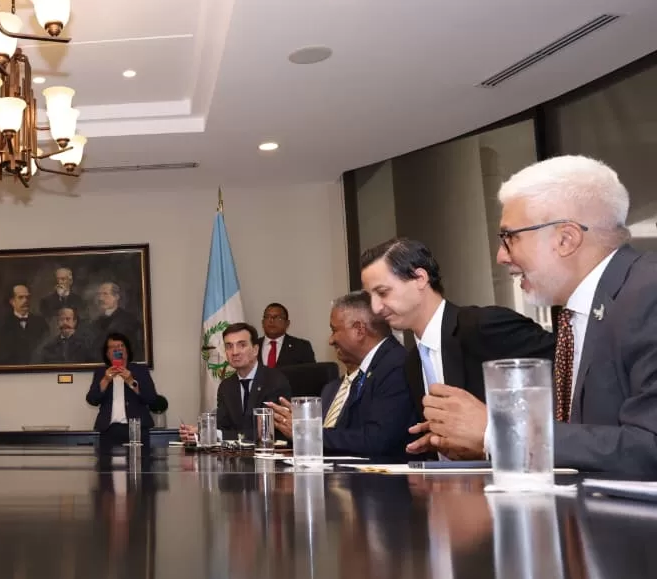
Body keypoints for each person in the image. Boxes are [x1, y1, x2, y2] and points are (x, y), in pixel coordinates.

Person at [407, 156, 657, 477]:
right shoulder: (579, 313)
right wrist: (478, 441)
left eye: (510, 237)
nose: (501, 256)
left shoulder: (648, 294)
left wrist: (498, 432)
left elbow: (649, 446)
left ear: (565, 239)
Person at [360, 237, 554, 424]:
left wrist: (494, 429)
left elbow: (565, 366)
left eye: (383, 292)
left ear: (420, 278)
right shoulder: (412, 363)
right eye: (370, 297)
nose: (375, 308)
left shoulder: (484, 326)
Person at [266, 292, 413, 460]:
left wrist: (309, 433)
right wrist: (305, 423)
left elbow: (376, 440)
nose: (331, 340)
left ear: (359, 330)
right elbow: (348, 432)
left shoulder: (396, 366)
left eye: (334, 330)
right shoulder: (373, 368)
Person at [183, 323, 291, 442]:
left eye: (242, 345)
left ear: (255, 350)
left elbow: (264, 432)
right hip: (234, 453)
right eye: (229, 346)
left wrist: (217, 435)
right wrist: (200, 431)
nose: (234, 352)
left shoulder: (274, 381)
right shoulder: (226, 386)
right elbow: (222, 425)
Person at [85, 332, 157, 445]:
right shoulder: (101, 372)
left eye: (121, 346)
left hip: (136, 429)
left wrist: (131, 382)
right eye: (113, 347)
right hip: (108, 429)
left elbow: (151, 398)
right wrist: (106, 380)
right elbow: (92, 400)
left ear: (127, 351)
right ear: (107, 354)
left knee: (139, 457)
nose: (118, 350)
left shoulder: (140, 370)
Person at [0, 283, 42, 365]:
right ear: (12, 301)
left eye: (27, 297)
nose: (25, 300)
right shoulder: (2, 325)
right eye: (21, 297)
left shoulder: (40, 323)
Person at [90, 282, 144, 354]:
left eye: (105, 294)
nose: (101, 298)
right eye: (99, 294)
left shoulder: (129, 320)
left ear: (116, 297)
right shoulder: (97, 322)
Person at [258, 302, 316, 368]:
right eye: (267, 317)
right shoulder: (253, 345)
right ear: (262, 322)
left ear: (287, 323)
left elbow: (311, 373)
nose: (271, 320)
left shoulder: (302, 347)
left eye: (278, 318)